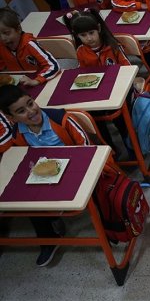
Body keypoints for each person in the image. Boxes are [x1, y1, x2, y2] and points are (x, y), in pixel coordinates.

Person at [0, 85, 91, 266]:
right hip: (46, 176)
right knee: (27, 200)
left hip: (76, 170)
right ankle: (49, 238)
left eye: (30, 103)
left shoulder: (62, 118)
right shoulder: (17, 133)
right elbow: (22, 159)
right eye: (21, 111)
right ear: (11, 118)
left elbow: (88, 149)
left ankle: (56, 216)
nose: (31, 111)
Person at [63, 9, 132, 157]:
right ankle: (111, 149)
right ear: (77, 36)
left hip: (119, 89)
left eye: (91, 33)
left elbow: (128, 68)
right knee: (93, 118)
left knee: (120, 117)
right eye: (83, 35)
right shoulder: (81, 51)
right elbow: (82, 73)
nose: (89, 38)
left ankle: (130, 144)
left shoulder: (113, 46)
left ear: (99, 29)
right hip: (97, 93)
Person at [0, 8, 60, 87]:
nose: (2, 38)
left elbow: (54, 66)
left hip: (39, 82)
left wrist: (36, 81)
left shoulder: (30, 44)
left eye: (6, 33)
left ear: (18, 29)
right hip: (16, 86)